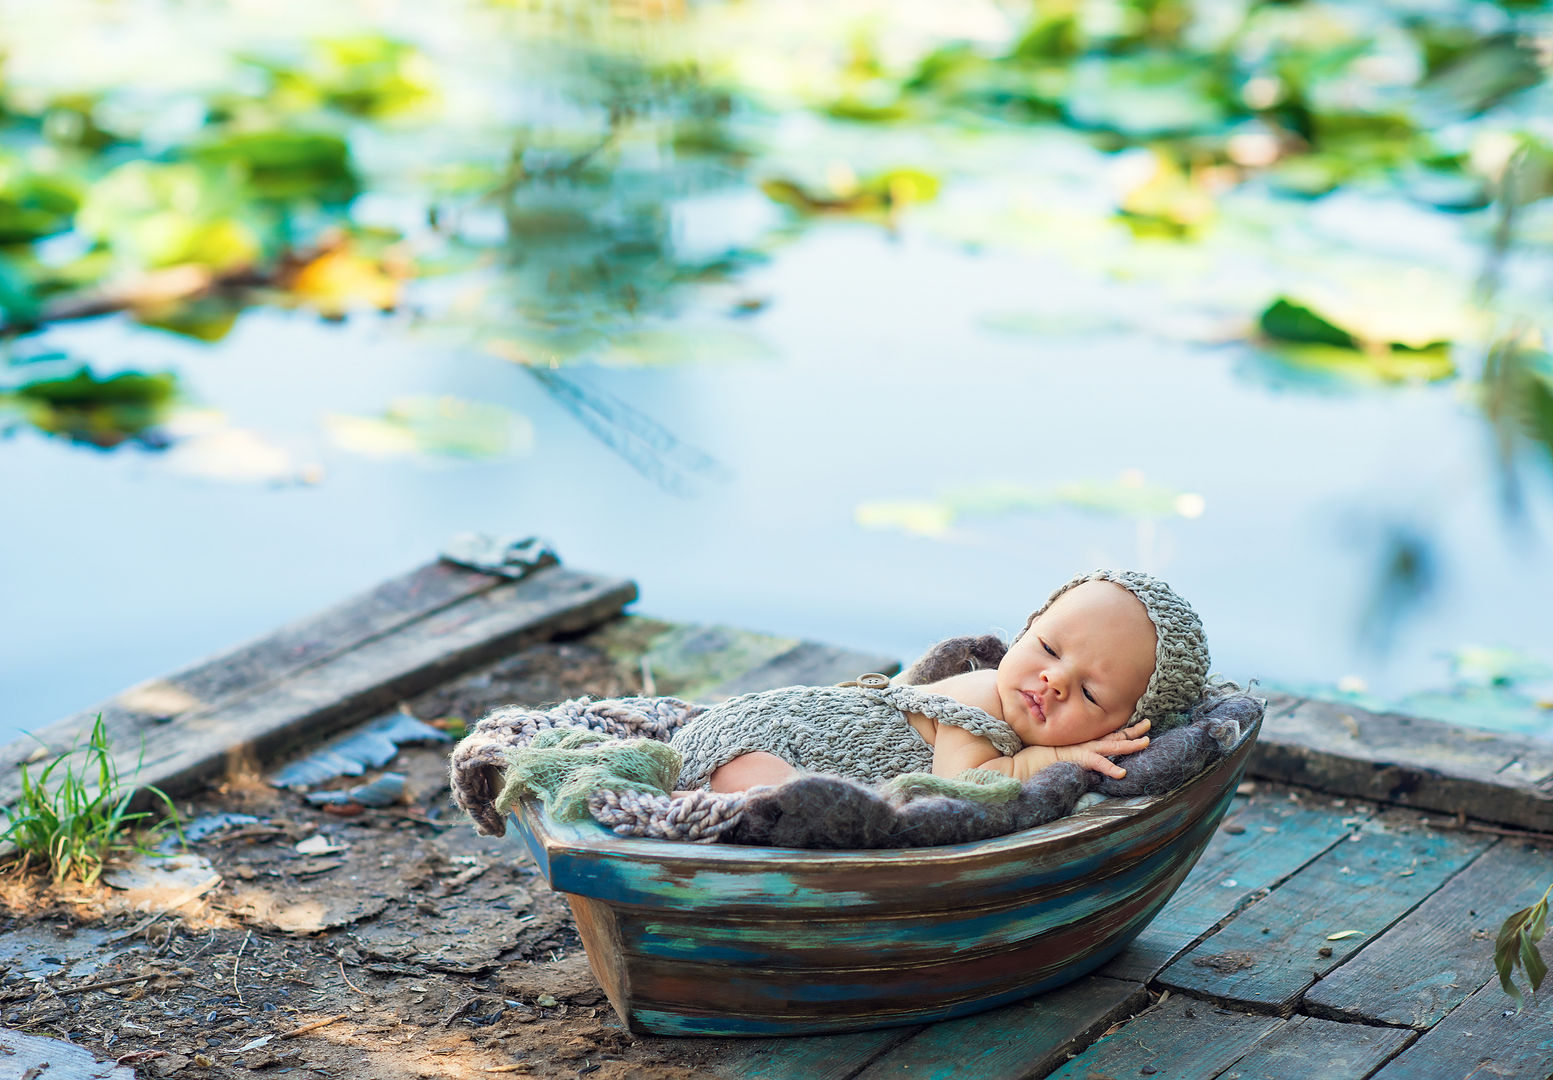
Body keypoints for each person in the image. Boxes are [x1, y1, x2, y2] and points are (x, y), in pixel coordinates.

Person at [669, 568, 1210, 793]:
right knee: (779, 794)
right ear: (1025, 631)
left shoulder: (1016, 712)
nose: (1053, 680)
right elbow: (961, 786)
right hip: (756, 742)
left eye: (1090, 693)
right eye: (1047, 648)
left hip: (773, 752)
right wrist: (1052, 760)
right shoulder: (983, 697)